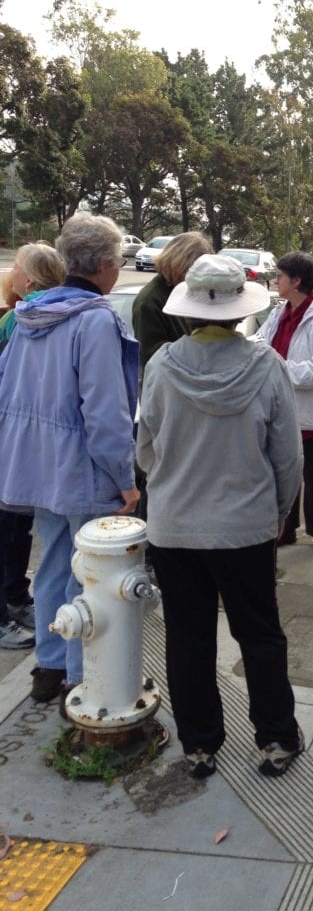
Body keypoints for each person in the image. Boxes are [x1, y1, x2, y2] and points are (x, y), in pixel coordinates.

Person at [137, 254, 304, 779]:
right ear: (239, 312)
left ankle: (200, 744)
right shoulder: (267, 367)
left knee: (188, 637)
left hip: (175, 527)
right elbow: (288, 457)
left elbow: (145, 451)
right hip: (245, 527)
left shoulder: (161, 365)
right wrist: (278, 512)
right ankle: (275, 737)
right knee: (259, 634)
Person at [0, 212, 139, 704]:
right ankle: (85, 676)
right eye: (119, 261)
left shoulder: (26, 315)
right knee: (92, 574)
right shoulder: (95, 320)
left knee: (55, 563)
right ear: (102, 265)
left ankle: (49, 665)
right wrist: (125, 478)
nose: (119, 269)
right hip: (81, 468)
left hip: (33, 465)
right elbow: (105, 413)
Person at [257, 251, 313, 556]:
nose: (275, 280)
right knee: (286, 474)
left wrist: (279, 368)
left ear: (296, 281)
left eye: (280, 275)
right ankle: (287, 529)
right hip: (285, 412)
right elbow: (260, 342)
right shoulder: (279, 313)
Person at [0, 244, 66, 650]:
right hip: (22, 442)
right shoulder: (22, 318)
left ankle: (14, 598)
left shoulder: (18, 318)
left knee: (13, 526)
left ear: (27, 280)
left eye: (15, 270)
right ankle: (13, 601)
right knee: (13, 526)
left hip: (16, 441)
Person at [132, 231, 213, 378]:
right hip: (165, 388)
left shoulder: (187, 291)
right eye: (191, 270)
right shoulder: (150, 300)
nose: (196, 278)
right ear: (176, 264)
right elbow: (153, 356)